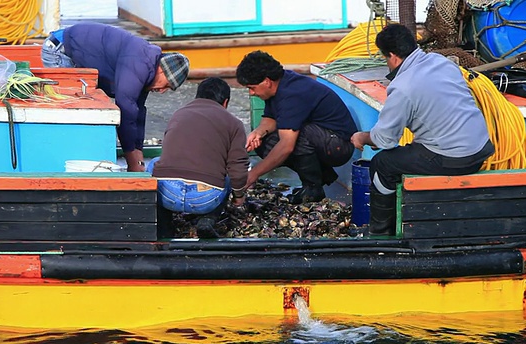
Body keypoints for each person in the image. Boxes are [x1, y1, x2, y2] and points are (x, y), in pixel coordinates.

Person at [350, 24, 495, 236]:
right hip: (480, 149)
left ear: (393, 56)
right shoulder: (442, 62)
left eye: (385, 59)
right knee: (413, 150)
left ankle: (382, 232)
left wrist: (362, 137)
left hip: (454, 158)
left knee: (383, 163)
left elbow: (385, 140)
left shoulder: (402, 87)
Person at [41, 22, 190, 172]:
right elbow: (125, 109)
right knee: (73, 109)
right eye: (166, 85)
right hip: (59, 49)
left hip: (75, 48)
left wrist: (138, 152)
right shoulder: (139, 63)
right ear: (162, 71)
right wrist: (132, 160)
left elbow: (137, 111)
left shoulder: (148, 68)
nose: (163, 91)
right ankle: (64, 162)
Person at [236, 50, 357, 204]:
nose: (251, 93)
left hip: (339, 144)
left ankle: (313, 187)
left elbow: (287, 146)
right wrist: (258, 132)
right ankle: (319, 177)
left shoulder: (292, 93)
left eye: (252, 87)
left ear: (266, 81)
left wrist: (253, 174)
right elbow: (271, 119)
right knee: (265, 142)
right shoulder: (278, 85)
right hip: (320, 138)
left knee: (295, 137)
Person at [149, 77, 249, 238]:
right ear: (225, 102)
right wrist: (239, 197)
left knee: (154, 163)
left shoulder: (178, 114)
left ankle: (164, 227)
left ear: (197, 96)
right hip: (205, 200)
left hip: (168, 195)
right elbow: (238, 166)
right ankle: (207, 220)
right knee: (229, 174)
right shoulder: (234, 123)